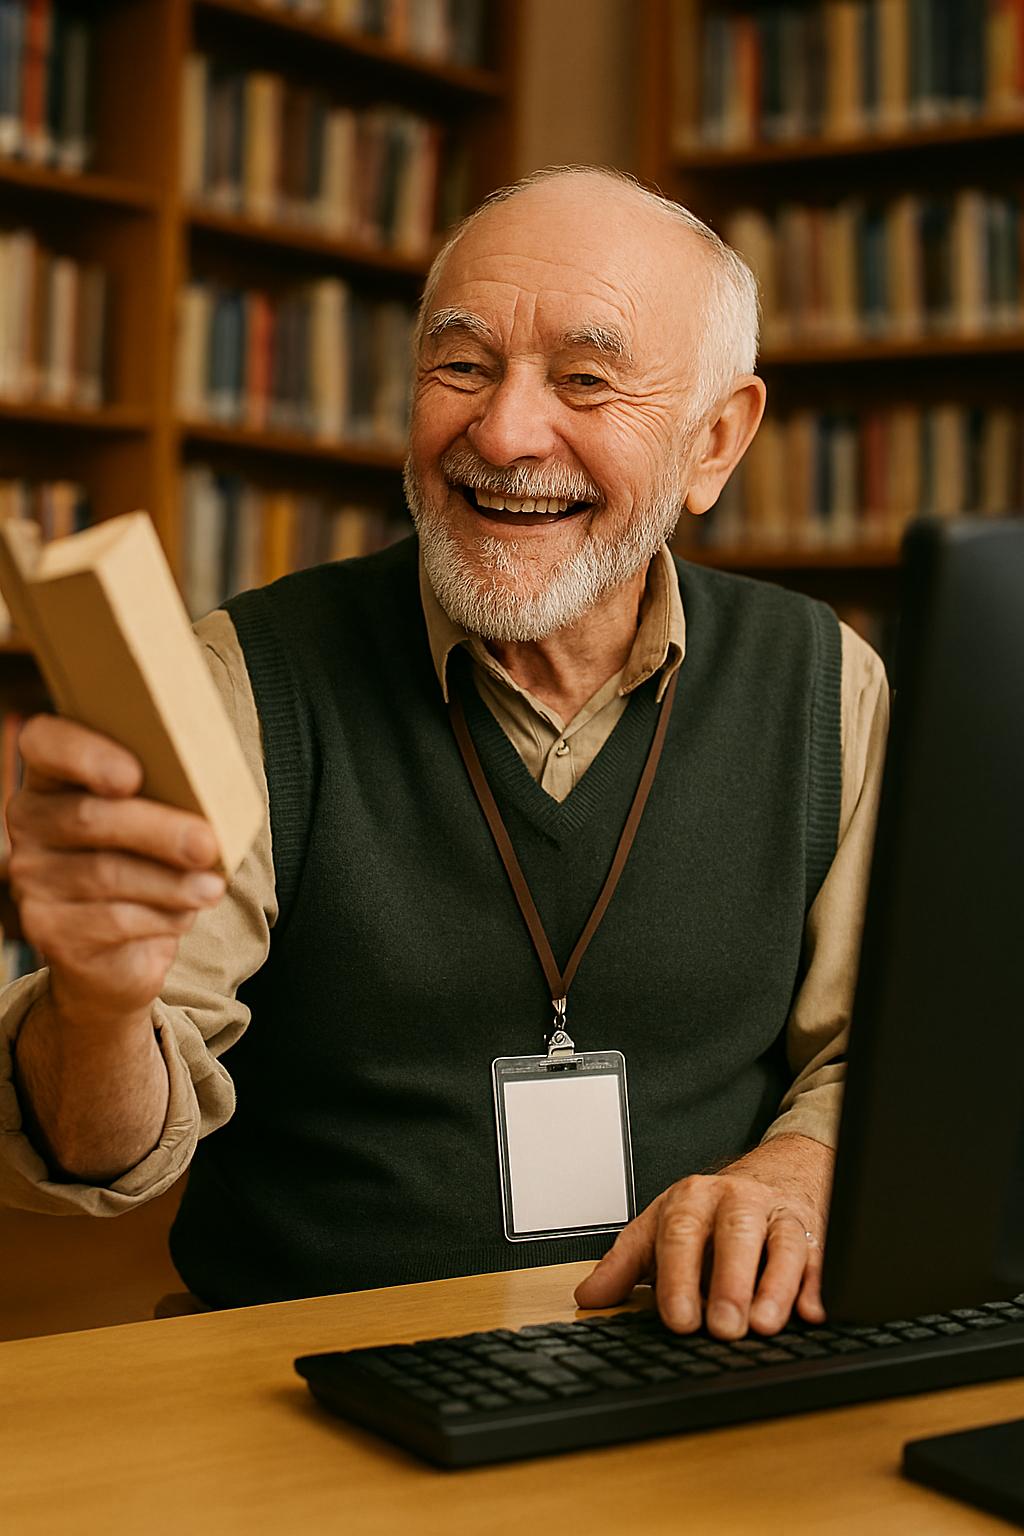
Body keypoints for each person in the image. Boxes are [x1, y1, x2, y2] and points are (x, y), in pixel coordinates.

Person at [0, 167, 887, 1342]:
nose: (505, 432)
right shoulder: (245, 681)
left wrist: (800, 1168)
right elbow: (97, 1153)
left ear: (714, 440)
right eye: (461, 367)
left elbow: (879, 1056)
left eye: (585, 379)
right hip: (311, 1379)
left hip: (694, 1354)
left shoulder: (827, 684)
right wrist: (101, 1003)